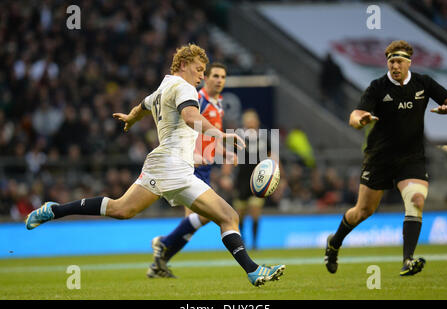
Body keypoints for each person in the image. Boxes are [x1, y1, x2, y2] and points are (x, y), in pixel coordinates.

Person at [25, 44, 285, 287]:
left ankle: (54, 211)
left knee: (121, 209)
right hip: (173, 167)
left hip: (167, 164)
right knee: (227, 216)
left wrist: (130, 118)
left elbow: (142, 106)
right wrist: (221, 135)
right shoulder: (184, 88)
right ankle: (252, 270)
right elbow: (191, 116)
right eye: (199, 70)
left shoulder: (162, 89)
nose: (201, 77)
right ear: (183, 64)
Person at [324, 40, 447, 276]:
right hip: (379, 158)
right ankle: (334, 243)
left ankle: (407, 260)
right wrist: (360, 120)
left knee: (416, 201)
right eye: (391, 61)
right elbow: (356, 114)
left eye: (399, 61)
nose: (394, 66)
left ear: (409, 63)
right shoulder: (378, 87)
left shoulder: (423, 83)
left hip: (411, 157)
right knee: (363, 211)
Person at [148, 62, 232, 278]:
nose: (219, 80)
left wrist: (223, 153)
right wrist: (191, 155)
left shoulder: (218, 103)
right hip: (192, 165)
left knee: (195, 222)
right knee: (204, 217)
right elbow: (188, 123)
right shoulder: (199, 99)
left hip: (205, 166)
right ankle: (163, 244)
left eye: (223, 76)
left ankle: (160, 261)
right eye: (215, 75)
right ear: (206, 78)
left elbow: (211, 134)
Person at [227, 109, 272, 250]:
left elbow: (271, 157)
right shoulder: (239, 137)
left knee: (255, 211)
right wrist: (226, 175)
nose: (251, 123)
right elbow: (230, 157)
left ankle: (254, 243)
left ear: (257, 122)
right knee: (240, 214)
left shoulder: (265, 138)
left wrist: (274, 174)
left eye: (253, 120)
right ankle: (243, 239)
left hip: (258, 181)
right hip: (241, 181)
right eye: (248, 120)